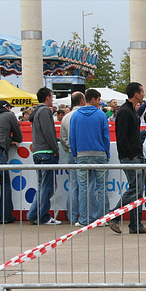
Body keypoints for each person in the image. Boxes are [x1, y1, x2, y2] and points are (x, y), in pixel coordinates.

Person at [108, 82, 146, 234]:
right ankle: (114, 216)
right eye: (142, 92)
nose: (143, 94)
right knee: (135, 189)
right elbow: (121, 137)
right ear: (136, 94)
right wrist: (131, 154)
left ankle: (135, 224)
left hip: (135, 155)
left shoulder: (130, 111)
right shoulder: (125, 112)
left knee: (137, 191)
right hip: (131, 156)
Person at [69, 88, 111, 227]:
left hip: (81, 155)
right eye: (99, 100)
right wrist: (107, 153)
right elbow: (106, 137)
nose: (100, 103)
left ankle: (84, 219)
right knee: (102, 188)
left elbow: (72, 137)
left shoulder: (75, 116)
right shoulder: (101, 115)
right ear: (93, 99)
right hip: (99, 154)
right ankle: (103, 218)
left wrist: (75, 153)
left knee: (84, 189)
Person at [27, 87, 62, 225]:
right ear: (47, 98)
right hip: (46, 152)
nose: (52, 100)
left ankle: (35, 213)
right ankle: (41, 215)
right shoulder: (45, 111)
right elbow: (48, 131)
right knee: (47, 187)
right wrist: (55, 148)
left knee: (43, 186)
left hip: (38, 151)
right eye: (52, 97)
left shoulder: (36, 112)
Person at [60, 91, 96, 225]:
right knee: (89, 186)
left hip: (71, 152)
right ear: (82, 101)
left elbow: (63, 138)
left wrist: (69, 148)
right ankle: (89, 215)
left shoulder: (66, 117)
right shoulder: (87, 115)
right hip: (86, 152)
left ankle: (72, 216)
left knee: (73, 185)